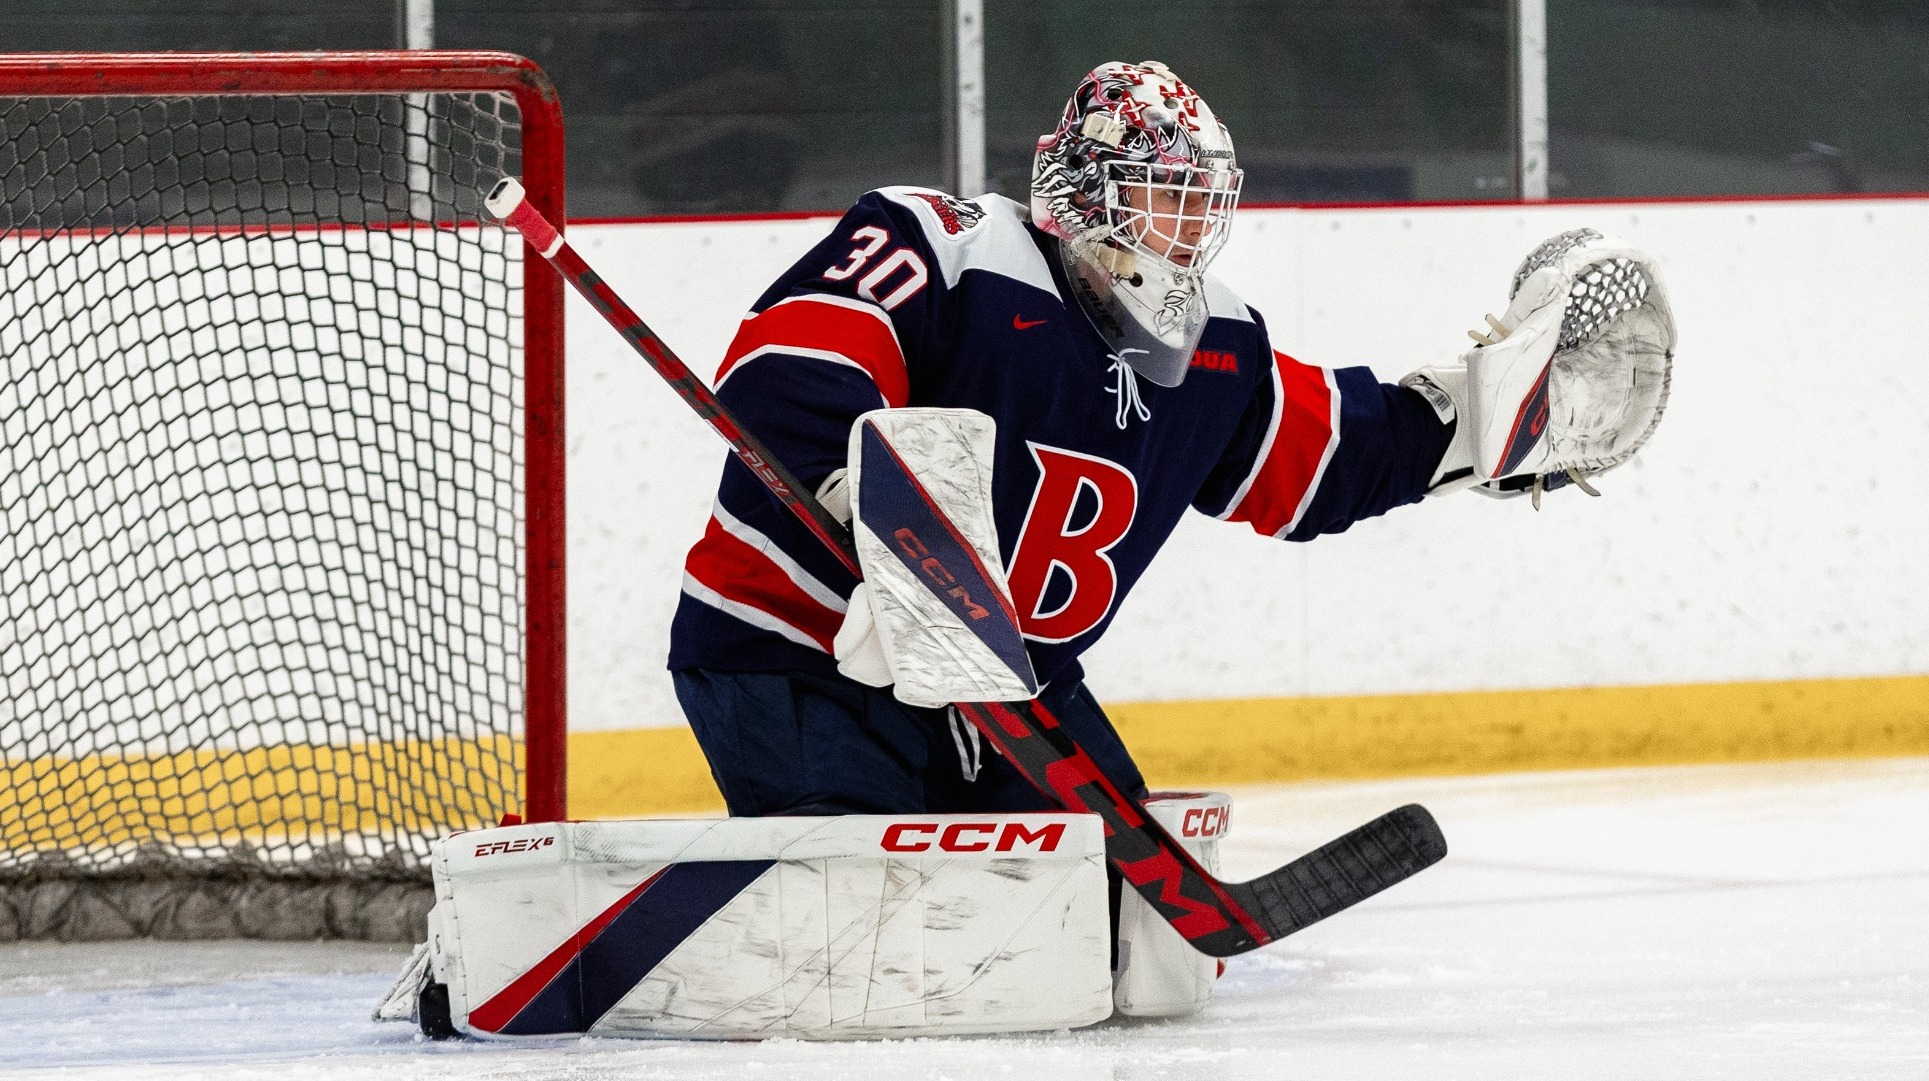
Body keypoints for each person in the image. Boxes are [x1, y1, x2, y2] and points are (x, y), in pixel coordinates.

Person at [666, 60, 1671, 820]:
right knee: (878, 926)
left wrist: (1470, 425)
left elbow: (1318, 456)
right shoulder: (948, 246)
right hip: (798, 652)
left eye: (1203, 199)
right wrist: (873, 518)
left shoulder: (1216, 344)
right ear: (1086, 186)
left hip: (1014, 692)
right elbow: (797, 357)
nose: (1191, 224)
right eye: (1167, 192)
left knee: (1123, 926)